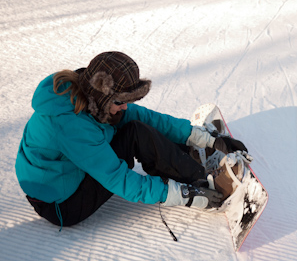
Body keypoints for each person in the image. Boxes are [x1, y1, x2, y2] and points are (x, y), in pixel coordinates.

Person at [16, 51, 246, 229]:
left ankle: (186, 155)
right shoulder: (70, 126)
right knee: (135, 134)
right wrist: (184, 196)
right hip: (61, 204)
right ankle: (203, 184)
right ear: (102, 95)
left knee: (137, 125)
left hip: (65, 173)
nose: (125, 106)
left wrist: (204, 138)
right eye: (120, 101)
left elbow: (147, 118)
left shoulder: (91, 96)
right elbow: (119, 179)